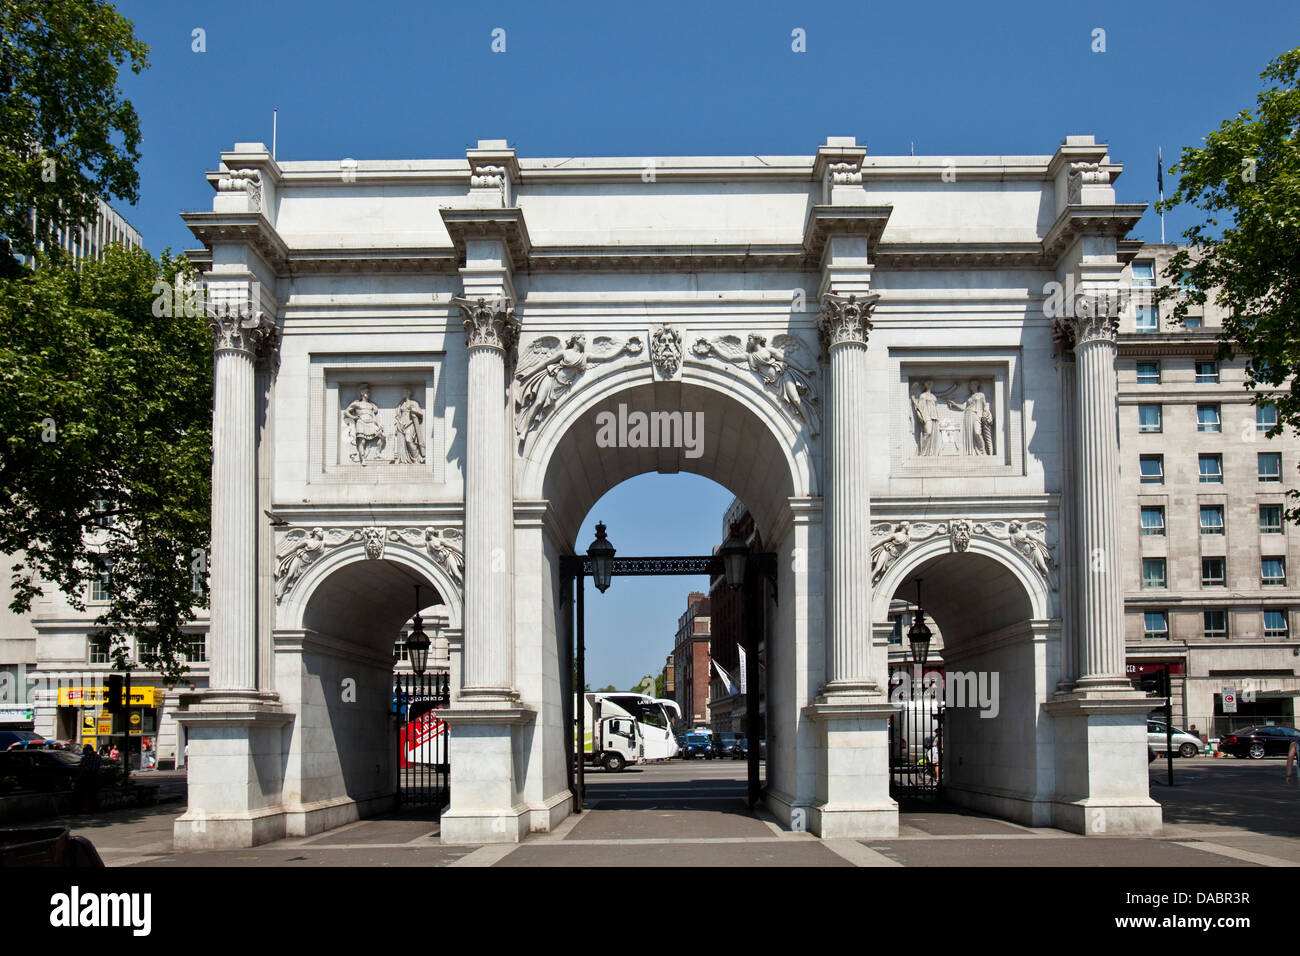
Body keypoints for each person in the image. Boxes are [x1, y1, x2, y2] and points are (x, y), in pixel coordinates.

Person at [74, 744, 102, 814]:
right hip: (95, 776)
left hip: (87, 777)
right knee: (93, 793)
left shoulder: (87, 757)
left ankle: (85, 809)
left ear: (87, 750)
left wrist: (78, 777)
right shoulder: (98, 757)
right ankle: (94, 808)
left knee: (85, 793)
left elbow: (82, 767)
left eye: (85, 750)